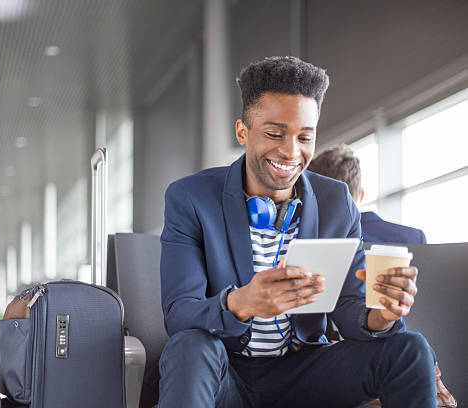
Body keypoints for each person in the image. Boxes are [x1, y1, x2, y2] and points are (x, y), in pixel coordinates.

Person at [158, 56, 436, 407]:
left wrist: (379, 317)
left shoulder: (336, 202)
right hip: (226, 372)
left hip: (305, 371)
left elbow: (349, 307)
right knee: (191, 345)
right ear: (243, 131)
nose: (291, 151)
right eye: (275, 134)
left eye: (305, 137)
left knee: (410, 349)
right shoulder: (191, 198)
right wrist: (242, 302)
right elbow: (180, 313)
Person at [308, 144, 456, 408]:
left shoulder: (317, 239)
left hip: (357, 356)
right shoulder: (412, 238)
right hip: (425, 355)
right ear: (361, 193)